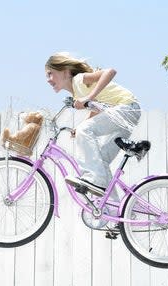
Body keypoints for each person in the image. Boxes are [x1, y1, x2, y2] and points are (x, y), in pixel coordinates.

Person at [45, 52, 141, 197]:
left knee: (85, 131)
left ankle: (94, 179)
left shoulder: (78, 79)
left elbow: (110, 72)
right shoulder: (77, 93)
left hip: (127, 108)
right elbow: (98, 111)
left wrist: (89, 97)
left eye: (50, 74)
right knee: (101, 161)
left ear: (65, 71)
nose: (48, 79)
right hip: (125, 116)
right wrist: (80, 126)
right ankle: (112, 207)